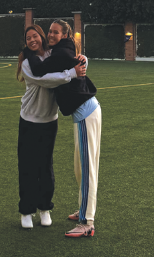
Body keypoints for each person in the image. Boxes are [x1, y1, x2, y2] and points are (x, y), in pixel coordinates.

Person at [25, 19, 102, 238]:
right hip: (84, 114)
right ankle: (84, 209)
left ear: (65, 36)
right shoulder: (63, 50)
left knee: (86, 169)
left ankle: (87, 222)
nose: (50, 35)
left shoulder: (59, 54)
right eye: (49, 31)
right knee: (80, 167)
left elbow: (39, 69)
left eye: (55, 32)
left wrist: (26, 51)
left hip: (87, 113)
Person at [16, 25, 86, 229]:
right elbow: (44, 80)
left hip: (49, 121)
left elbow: (75, 57)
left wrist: (82, 62)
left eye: (35, 36)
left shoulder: (51, 53)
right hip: (29, 120)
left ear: (42, 37)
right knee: (28, 167)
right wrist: (71, 73)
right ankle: (26, 211)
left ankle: (45, 208)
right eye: (28, 38)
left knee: (46, 167)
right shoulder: (27, 62)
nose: (32, 40)